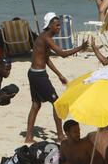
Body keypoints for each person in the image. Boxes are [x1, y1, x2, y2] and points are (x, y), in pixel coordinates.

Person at [25, 12, 88, 144]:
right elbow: (62, 54)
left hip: (35, 73)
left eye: (59, 25)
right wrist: (81, 47)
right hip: (38, 75)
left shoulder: (44, 38)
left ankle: (29, 137)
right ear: (49, 26)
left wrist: (59, 74)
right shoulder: (46, 38)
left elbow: (46, 59)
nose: (59, 27)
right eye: (57, 25)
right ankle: (60, 136)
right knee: (57, 103)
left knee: (36, 105)